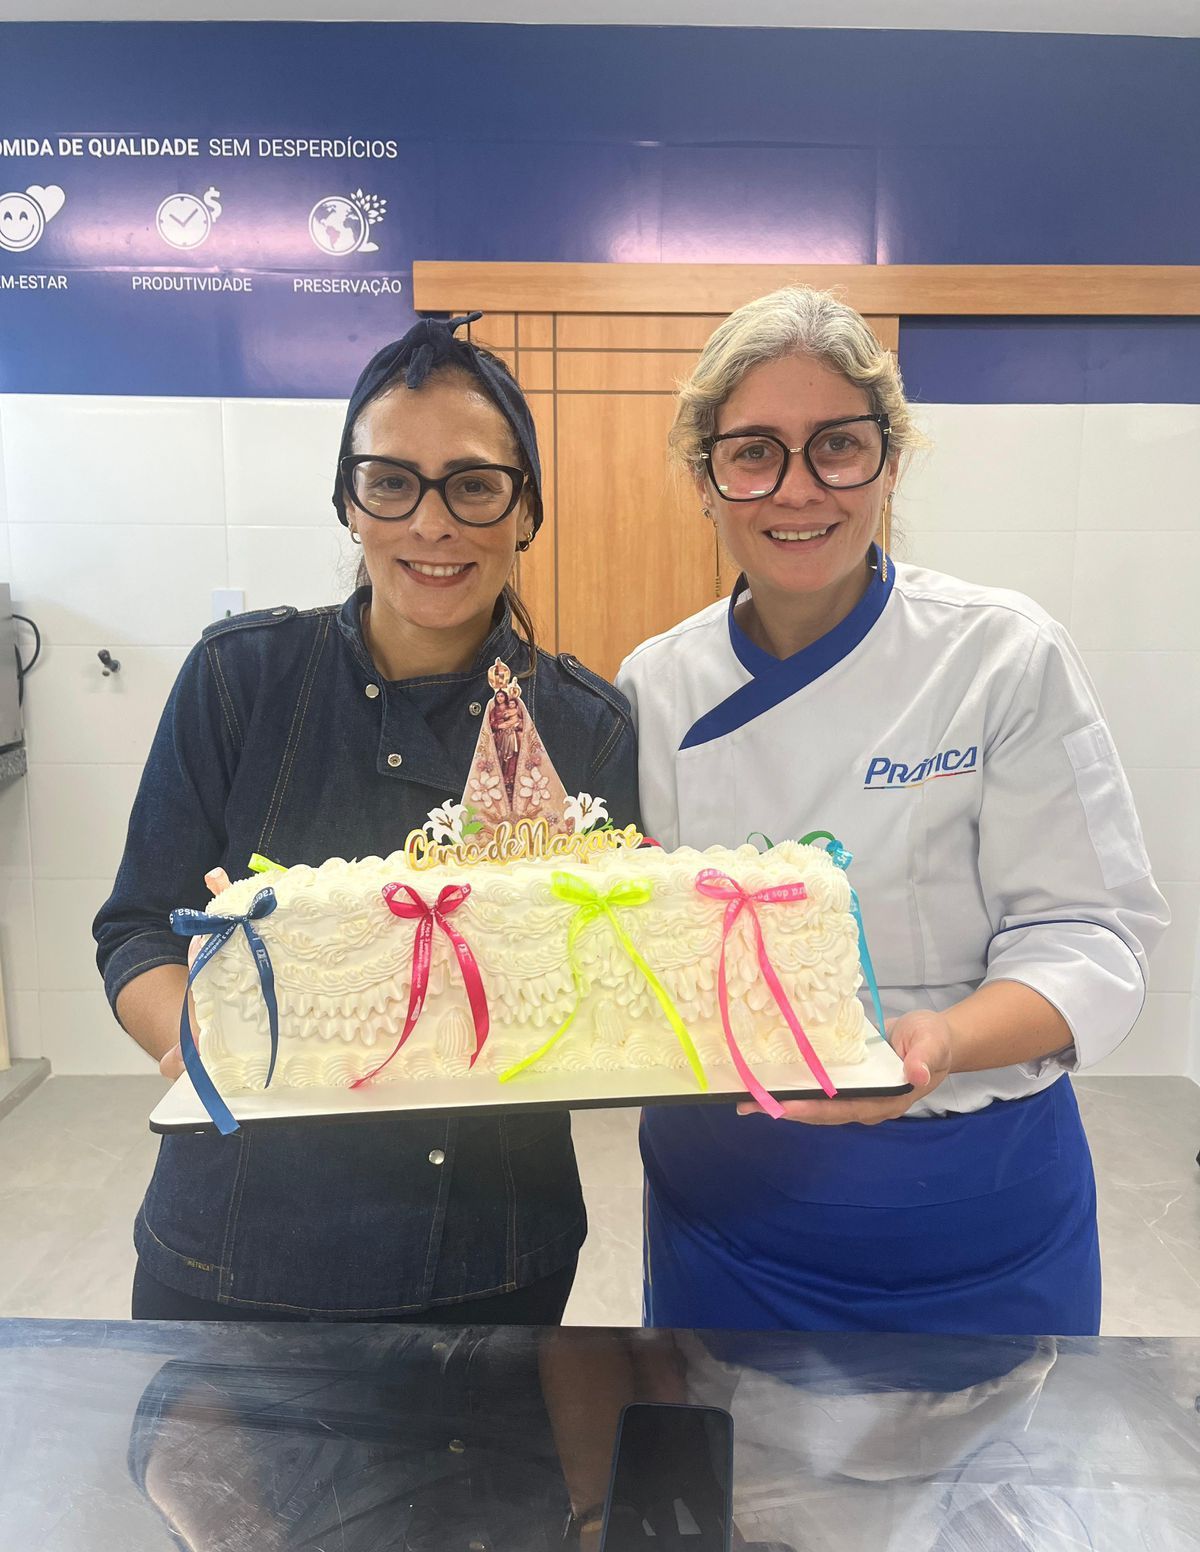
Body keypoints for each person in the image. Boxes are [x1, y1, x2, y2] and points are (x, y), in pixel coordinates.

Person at [616, 286, 1168, 1337]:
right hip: (729, 1206)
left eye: (837, 445)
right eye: (753, 452)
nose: (798, 490)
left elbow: (1093, 940)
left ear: (890, 461)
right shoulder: (654, 688)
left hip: (972, 1201)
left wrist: (943, 1042)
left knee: (992, 1492)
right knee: (730, 1491)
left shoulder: (1000, 656)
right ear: (707, 478)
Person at [95, 313, 639, 1323]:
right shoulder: (240, 677)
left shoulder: (586, 725)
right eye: (392, 481)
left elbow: (608, 966)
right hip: (231, 1247)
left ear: (527, 511)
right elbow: (135, 929)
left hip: (492, 1253)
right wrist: (204, 1048)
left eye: (475, 485)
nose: (432, 523)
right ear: (350, 501)